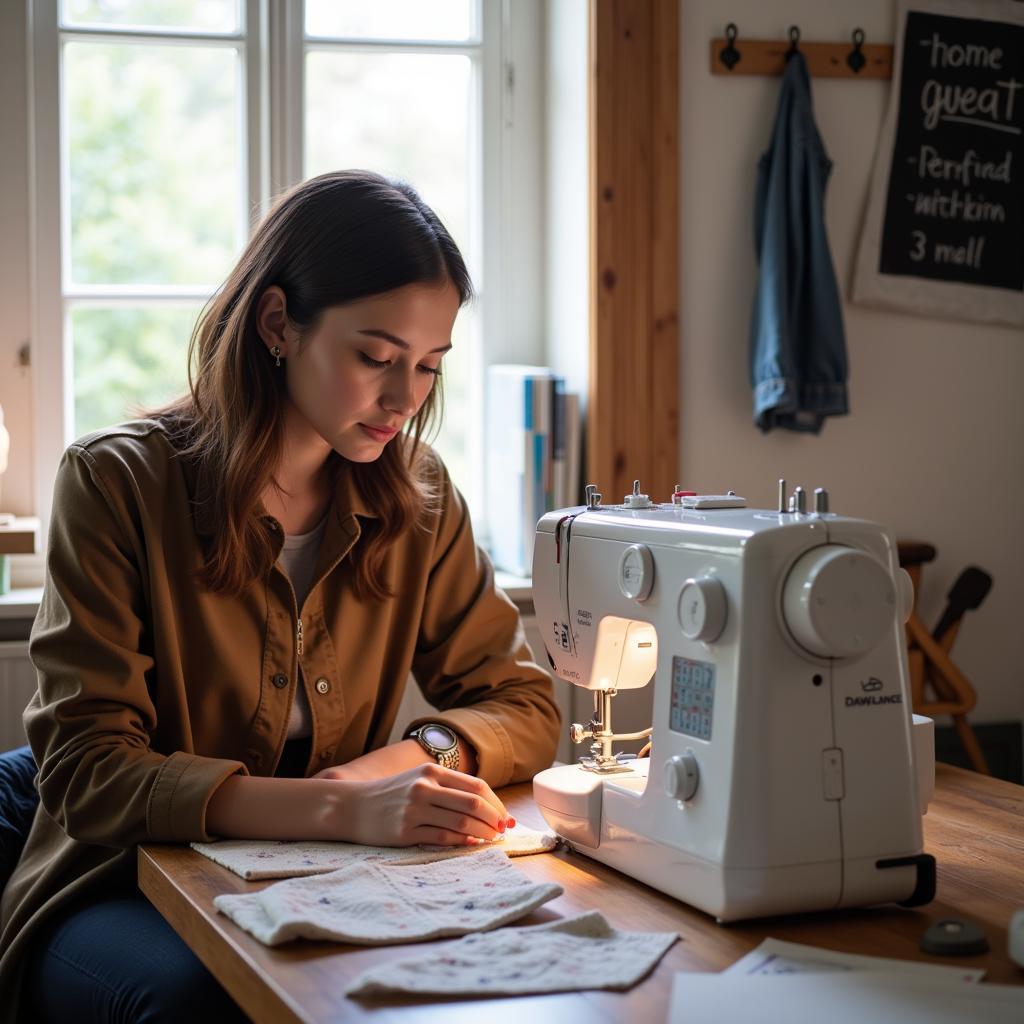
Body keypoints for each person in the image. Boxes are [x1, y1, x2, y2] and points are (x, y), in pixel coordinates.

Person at [0, 170, 561, 1022]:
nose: (405, 399)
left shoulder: (420, 496)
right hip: (119, 884)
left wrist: (405, 765)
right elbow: (87, 773)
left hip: (332, 877)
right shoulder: (113, 483)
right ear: (277, 324)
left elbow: (522, 702)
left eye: (428, 366)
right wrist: (339, 806)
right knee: (218, 1001)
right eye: (375, 357)